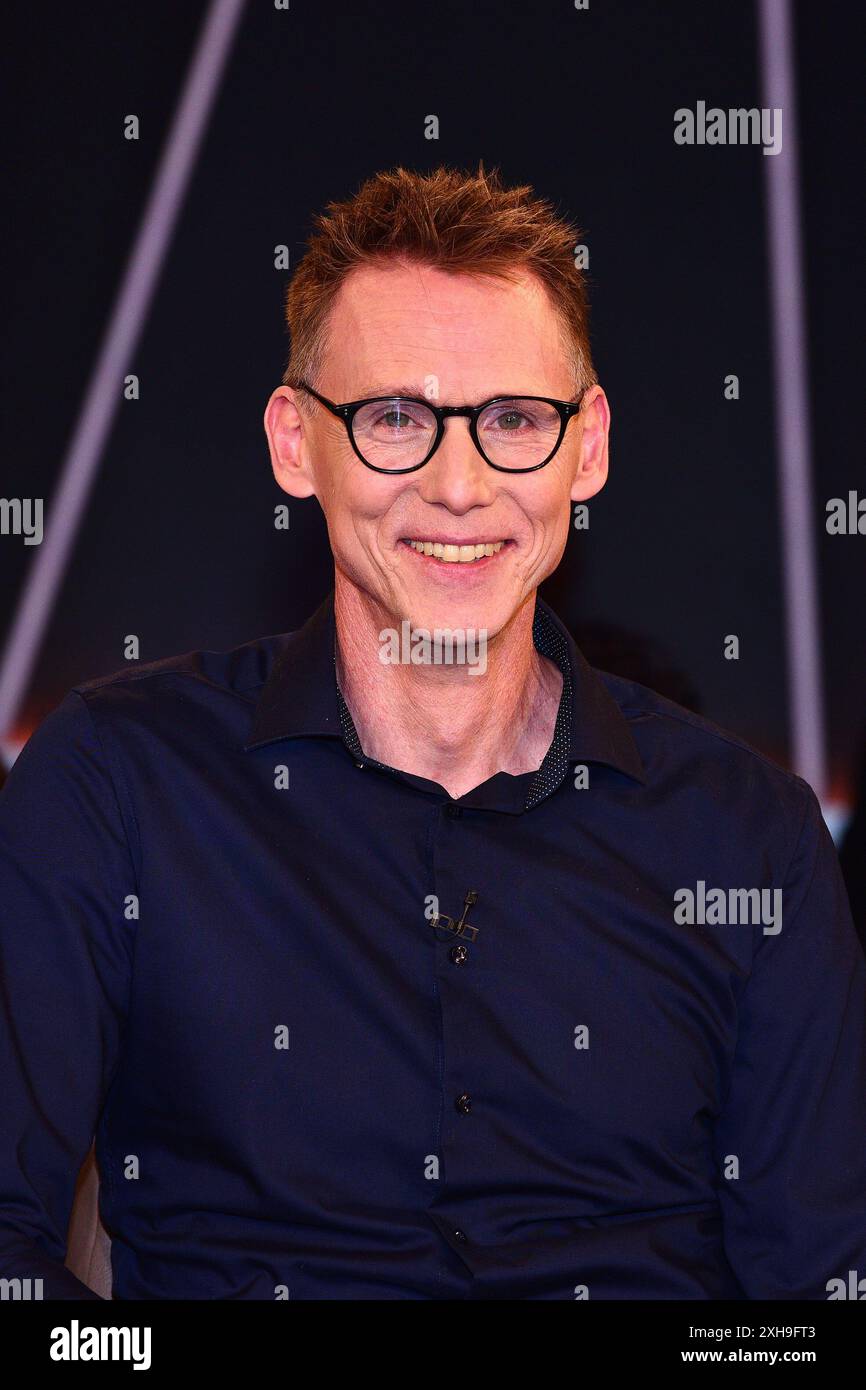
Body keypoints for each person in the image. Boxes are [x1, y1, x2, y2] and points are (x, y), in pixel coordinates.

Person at [1, 164, 864, 1300]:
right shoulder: (115, 783)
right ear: (293, 443)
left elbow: (811, 1302)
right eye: (394, 419)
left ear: (586, 446)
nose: (458, 485)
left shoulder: (750, 840)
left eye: (512, 419)